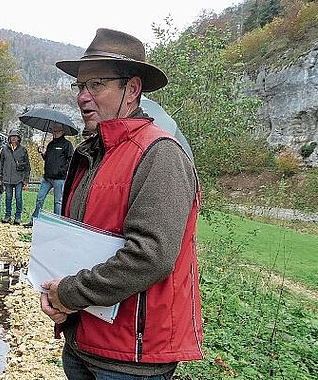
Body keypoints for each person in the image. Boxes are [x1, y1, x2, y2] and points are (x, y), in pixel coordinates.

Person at [40, 28, 203, 379]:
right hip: (83, 343)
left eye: (96, 84)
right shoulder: (91, 155)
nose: (83, 97)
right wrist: (59, 301)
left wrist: (70, 292)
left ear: (132, 89)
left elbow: (149, 255)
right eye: (79, 86)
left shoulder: (159, 154)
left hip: (132, 360)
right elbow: (76, 243)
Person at [24, 123, 73, 227]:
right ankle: (34, 220)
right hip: (47, 178)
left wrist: (62, 171)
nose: (55, 133)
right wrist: (43, 153)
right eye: (53, 131)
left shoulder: (67, 144)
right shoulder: (50, 144)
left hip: (59, 178)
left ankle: (56, 224)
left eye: (57, 131)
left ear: (62, 132)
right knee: (40, 198)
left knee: (58, 202)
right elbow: (47, 159)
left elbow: (70, 160)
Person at [0, 129, 29, 225]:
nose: (14, 138)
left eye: (16, 136)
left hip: (19, 178)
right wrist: (0, 179)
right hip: (7, 179)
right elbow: (1, 165)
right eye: (12, 136)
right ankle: (7, 216)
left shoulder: (23, 150)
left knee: (18, 197)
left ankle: (18, 217)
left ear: (19, 138)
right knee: (8, 197)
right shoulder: (4, 149)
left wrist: (26, 180)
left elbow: (27, 166)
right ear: (9, 138)